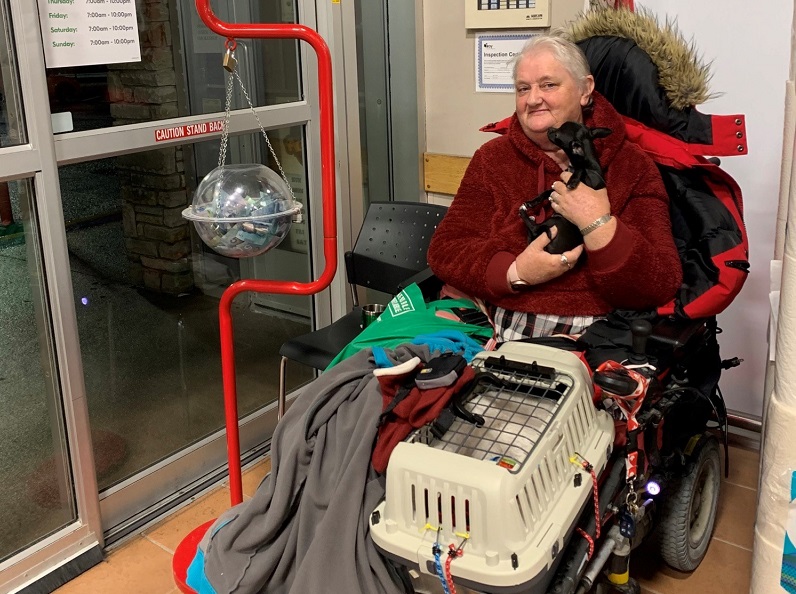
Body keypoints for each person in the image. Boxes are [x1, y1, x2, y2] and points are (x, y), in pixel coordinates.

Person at [426, 34, 683, 342]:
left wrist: (597, 223)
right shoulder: (492, 160)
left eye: (548, 85)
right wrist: (516, 272)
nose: (533, 99)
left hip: (596, 333)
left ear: (585, 90)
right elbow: (445, 250)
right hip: (501, 323)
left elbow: (661, 281)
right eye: (523, 88)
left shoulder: (632, 166)